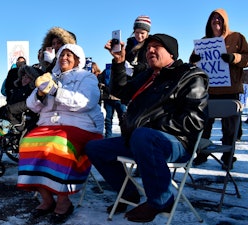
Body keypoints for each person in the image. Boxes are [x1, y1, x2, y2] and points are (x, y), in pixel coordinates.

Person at [85, 34, 209, 223]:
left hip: (177, 142)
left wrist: (150, 127)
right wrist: (119, 62)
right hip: (141, 140)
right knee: (95, 147)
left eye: (156, 46)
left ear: (171, 53)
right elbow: (120, 93)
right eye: (148, 47)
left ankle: (161, 200)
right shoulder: (148, 75)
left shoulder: (190, 75)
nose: (150, 50)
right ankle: (129, 193)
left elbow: (194, 120)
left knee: (144, 136)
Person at [16, 44, 104, 223]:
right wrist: (40, 93)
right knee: (27, 143)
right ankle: (47, 199)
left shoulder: (86, 77)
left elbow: (85, 102)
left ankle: (63, 201)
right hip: (50, 126)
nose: (64, 57)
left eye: (69, 55)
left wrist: (57, 91)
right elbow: (31, 105)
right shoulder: (50, 77)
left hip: (81, 126)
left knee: (56, 144)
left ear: (78, 59)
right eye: (62, 54)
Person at [190, 9, 248, 169]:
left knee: (230, 129)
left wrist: (234, 57)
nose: (216, 20)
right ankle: (201, 154)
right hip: (208, 91)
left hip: (230, 90)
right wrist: (194, 59)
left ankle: (228, 157)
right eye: (213, 18)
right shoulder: (204, 41)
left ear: (225, 21)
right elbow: (193, 61)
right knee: (203, 126)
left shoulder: (237, 37)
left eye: (219, 18)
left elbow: (247, 58)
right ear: (209, 22)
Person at [97, 64, 126, 138]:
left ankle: (108, 136)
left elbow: (99, 80)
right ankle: (124, 137)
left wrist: (103, 85)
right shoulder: (123, 70)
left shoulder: (107, 70)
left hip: (110, 98)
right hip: (118, 99)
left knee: (109, 119)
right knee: (122, 119)